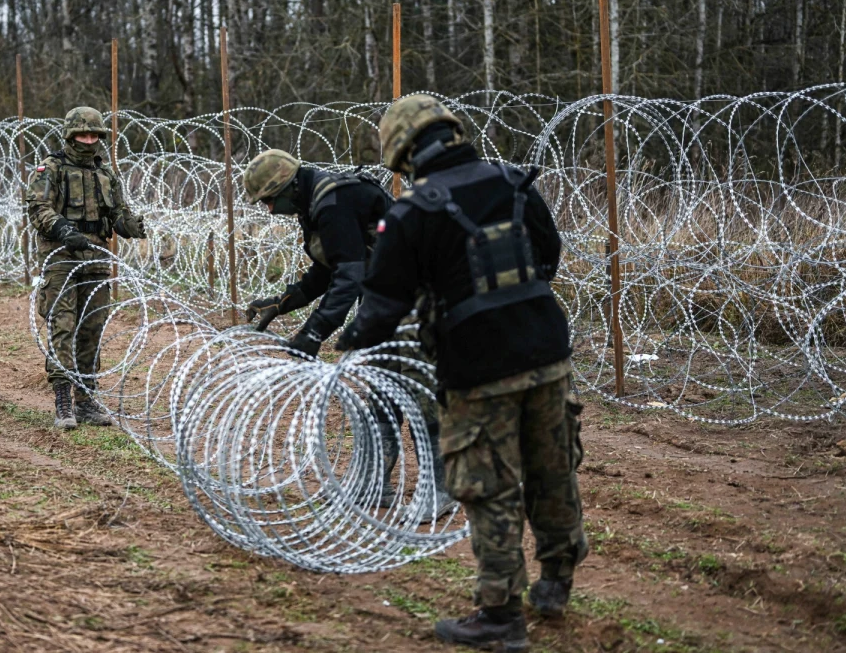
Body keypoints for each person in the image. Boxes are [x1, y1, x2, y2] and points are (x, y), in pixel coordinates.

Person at [337, 95, 587, 651]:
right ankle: (556, 584)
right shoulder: (513, 181)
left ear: (402, 153)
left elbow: (382, 309)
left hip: (477, 367)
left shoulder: (412, 213)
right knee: (552, 470)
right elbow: (548, 253)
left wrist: (350, 349)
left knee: (489, 487)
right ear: (452, 133)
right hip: (546, 349)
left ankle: (500, 616)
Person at [242, 150, 454, 517]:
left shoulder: (331, 203)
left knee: (418, 390)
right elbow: (330, 269)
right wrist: (282, 303)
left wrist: (315, 332)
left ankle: (441, 489)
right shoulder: (317, 200)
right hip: (389, 294)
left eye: (270, 200)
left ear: (289, 187)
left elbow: (349, 276)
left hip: (419, 292)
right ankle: (373, 483)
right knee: (383, 385)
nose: (270, 210)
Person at [26, 106, 147, 430]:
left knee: (92, 328)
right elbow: (37, 208)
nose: (88, 140)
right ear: (70, 135)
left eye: (94, 135)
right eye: (82, 134)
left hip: (95, 255)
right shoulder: (49, 169)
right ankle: (63, 399)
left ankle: (86, 398)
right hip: (61, 255)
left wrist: (131, 225)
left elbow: (118, 212)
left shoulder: (105, 174)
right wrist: (64, 229)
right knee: (63, 325)